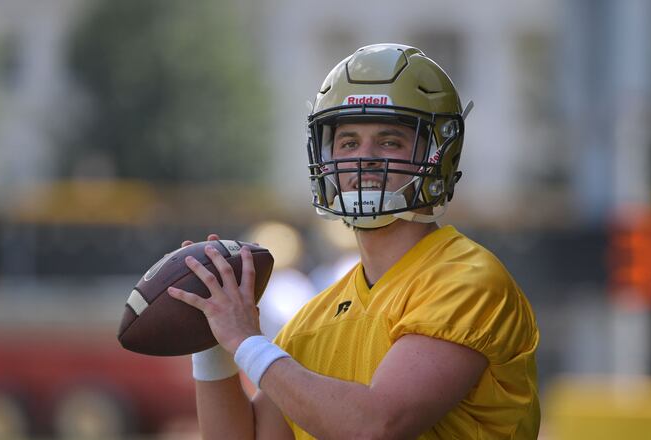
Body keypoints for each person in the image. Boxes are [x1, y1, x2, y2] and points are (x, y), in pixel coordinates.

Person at [168, 43, 540, 439]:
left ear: (437, 155)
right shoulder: (314, 320)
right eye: (347, 142)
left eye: (389, 141)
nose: (365, 158)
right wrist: (210, 339)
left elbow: (375, 427)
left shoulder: (468, 281)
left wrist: (246, 340)